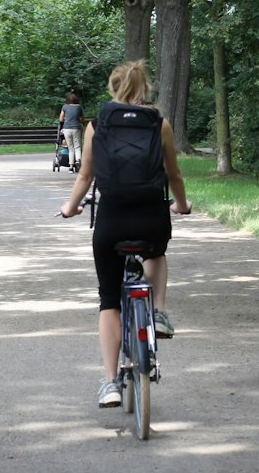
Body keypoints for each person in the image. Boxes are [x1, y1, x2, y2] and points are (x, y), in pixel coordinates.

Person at [58, 61, 190, 409]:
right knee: (157, 253)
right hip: (151, 217)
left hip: (112, 220)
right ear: (144, 87)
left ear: (112, 88)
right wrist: (182, 204)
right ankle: (158, 312)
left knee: (109, 300)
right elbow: (174, 175)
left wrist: (71, 207)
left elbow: (85, 177)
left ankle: (110, 382)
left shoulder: (96, 125)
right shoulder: (158, 123)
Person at [55, 90, 84, 160]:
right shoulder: (79, 107)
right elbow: (82, 119)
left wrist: (67, 119)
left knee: (70, 148)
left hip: (67, 128)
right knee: (77, 147)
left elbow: (61, 119)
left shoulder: (65, 106)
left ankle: (71, 165)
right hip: (76, 128)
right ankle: (78, 161)